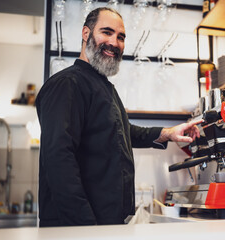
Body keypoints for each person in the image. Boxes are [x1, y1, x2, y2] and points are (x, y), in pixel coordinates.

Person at [36, 7, 202, 227]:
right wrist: (86, 228)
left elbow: (122, 132)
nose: (114, 42)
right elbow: (58, 158)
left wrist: (168, 133)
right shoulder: (67, 84)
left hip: (106, 223)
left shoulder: (104, 87)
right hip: (77, 226)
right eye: (106, 32)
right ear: (86, 34)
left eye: (121, 37)